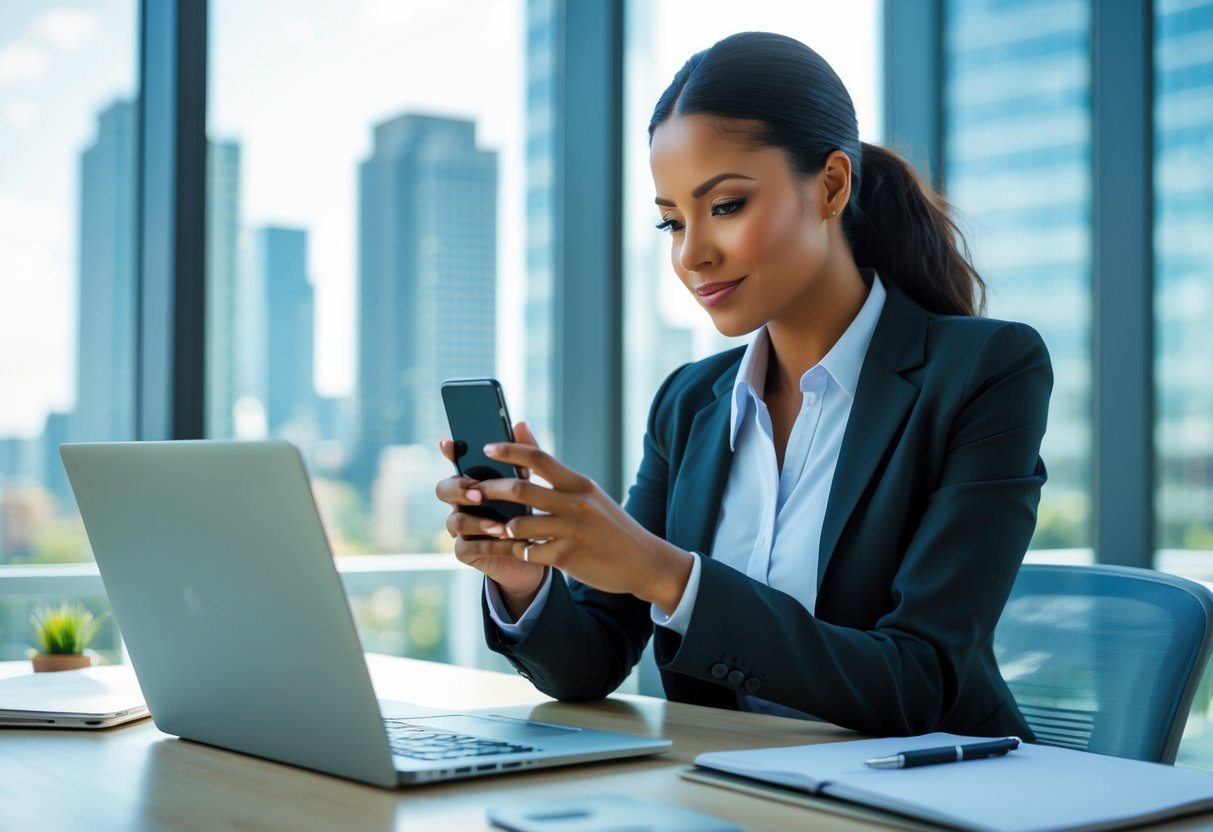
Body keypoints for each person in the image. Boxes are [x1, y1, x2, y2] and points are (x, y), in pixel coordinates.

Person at [435, 31, 1052, 738]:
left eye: (724, 206)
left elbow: (919, 683)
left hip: (938, 794)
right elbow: (591, 664)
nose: (692, 254)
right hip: (736, 792)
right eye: (671, 221)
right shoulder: (690, 402)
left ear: (829, 186)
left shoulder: (984, 369)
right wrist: (524, 579)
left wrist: (670, 577)